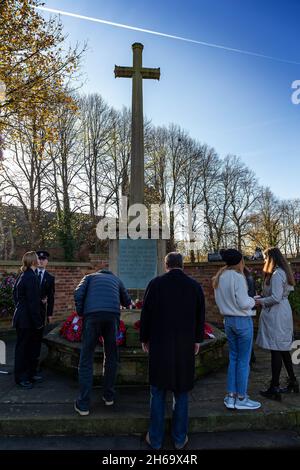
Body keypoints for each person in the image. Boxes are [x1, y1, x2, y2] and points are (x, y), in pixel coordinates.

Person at [140, 252, 205, 451]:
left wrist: (144, 338)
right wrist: (197, 340)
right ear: (182, 265)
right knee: (182, 392)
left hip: (160, 344)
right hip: (184, 345)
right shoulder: (194, 286)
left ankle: (156, 439)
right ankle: (179, 438)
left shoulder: (155, 284)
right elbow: (199, 315)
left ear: (166, 265)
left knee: (158, 391)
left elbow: (146, 314)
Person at [73, 268, 132, 416]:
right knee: (111, 355)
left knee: (86, 357)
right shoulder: (117, 280)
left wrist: (81, 312)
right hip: (112, 316)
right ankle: (108, 396)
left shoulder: (89, 277)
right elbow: (126, 301)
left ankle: (84, 404)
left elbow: (78, 293)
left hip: (92, 315)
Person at [213, 249, 261, 411]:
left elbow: (226, 301)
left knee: (234, 358)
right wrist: (253, 301)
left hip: (228, 321)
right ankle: (241, 397)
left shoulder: (220, 277)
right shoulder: (238, 277)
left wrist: (247, 300)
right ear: (239, 261)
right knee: (243, 361)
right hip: (241, 321)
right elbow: (242, 302)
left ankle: (231, 396)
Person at [256, 247, 299, 400]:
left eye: (265, 258)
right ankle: (293, 381)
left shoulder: (276, 274)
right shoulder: (283, 272)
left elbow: (275, 297)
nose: (264, 261)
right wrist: (261, 296)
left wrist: (260, 301)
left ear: (271, 258)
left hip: (277, 313)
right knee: (283, 348)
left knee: (276, 349)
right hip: (283, 311)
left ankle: (274, 387)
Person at [13, 251, 44, 389]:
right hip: (27, 320)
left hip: (23, 317)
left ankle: (30, 374)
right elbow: (32, 303)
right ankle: (21, 378)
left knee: (29, 348)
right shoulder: (30, 277)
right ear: (33, 261)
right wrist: (38, 322)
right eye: (37, 258)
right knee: (23, 350)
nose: (40, 260)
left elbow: (16, 296)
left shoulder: (24, 275)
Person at [32, 250, 55, 381]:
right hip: (30, 313)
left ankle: (35, 366)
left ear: (47, 261)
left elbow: (51, 297)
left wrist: (50, 314)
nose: (41, 261)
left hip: (41, 313)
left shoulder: (50, 278)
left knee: (38, 340)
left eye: (43, 259)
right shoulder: (30, 274)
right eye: (39, 259)